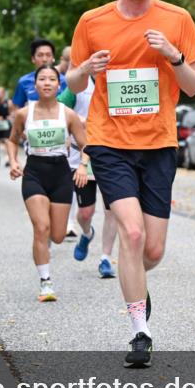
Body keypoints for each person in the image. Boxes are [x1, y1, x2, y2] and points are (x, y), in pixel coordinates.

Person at [67, 0, 195, 368]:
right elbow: (73, 82)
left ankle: (136, 280)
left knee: (152, 251)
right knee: (132, 233)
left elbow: (194, 86)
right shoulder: (92, 21)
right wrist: (85, 68)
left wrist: (174, 56)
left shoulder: (178, 19)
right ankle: (140, 332)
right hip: (109, 141)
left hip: (159, 142)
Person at [6, 65, 89, 302]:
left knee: (59, 235)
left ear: (59, 85)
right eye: (42, 79)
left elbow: (86, 144)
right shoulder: (24, 113)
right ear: (35, 85)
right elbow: (12, 140)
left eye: (52, 79)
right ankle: (45, 282)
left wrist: (82, 166)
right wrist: (13, 161)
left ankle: (45, 249)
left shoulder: (68, 115)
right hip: (34, 172)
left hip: (61, 174)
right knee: (41, 227)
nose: (46, 83)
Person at [59, 78, 119, 278]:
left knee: (112, 210)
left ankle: (105, 258)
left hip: (113, 154)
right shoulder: (79, 83)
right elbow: (58, 108)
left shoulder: (116, 78)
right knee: (85, 213)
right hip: (81, 157)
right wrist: (77, 123)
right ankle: (87, 233)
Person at [12, 39, 67, 111]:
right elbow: (16, 109)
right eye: (40, 55)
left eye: (48, 55)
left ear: (53, 58)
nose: (44, 59)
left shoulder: (65, 81)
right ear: (33, 59)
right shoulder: (24, 82)